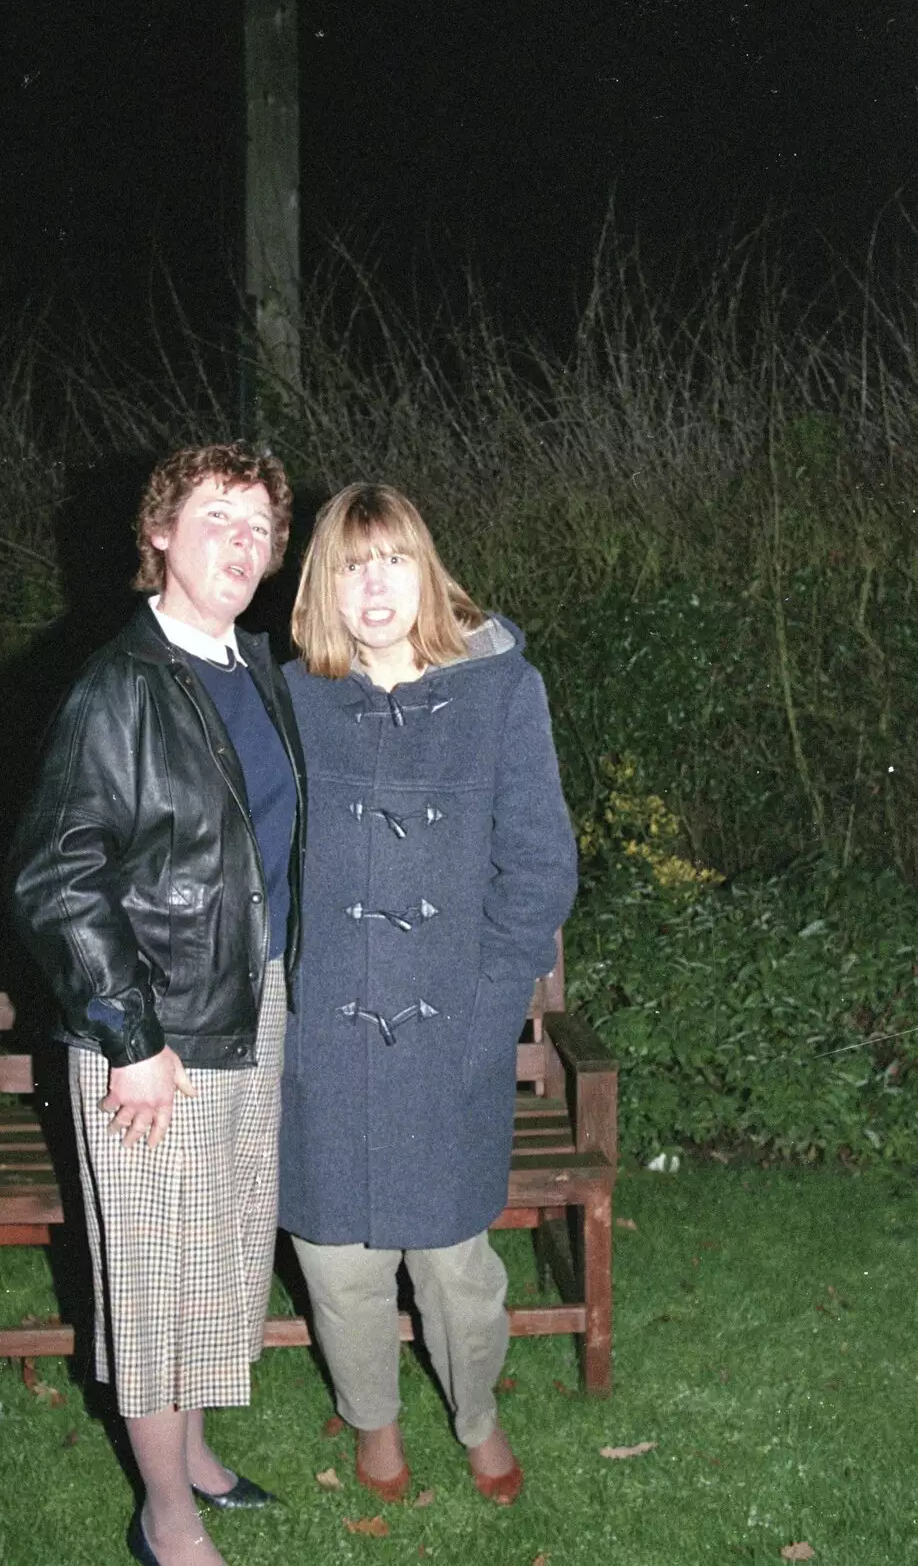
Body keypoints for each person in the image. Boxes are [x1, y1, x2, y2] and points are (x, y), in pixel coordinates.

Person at [9, 442, 306, 1566]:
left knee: (221, 1249)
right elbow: (56, 870)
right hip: (153, 1032)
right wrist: (130, 1035)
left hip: (247, 1004)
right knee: (151, 1274)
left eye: (257, 527)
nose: (239, 543)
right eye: (214, 517)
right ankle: (164, 1513)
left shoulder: (255, 668)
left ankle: (194, 1458)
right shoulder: (120, 682)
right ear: (160, 536)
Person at [279, 482, 577, 1506]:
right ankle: (373, 1420)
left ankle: (478, 1412)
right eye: (351, 564)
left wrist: (490, 1009)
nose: (373, 584)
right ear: (324, 581)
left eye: (392, 558)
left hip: (453, 1032)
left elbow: (540, 869)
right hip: (326, 1036)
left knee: (455, 1266)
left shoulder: (502, 692)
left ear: (427, 570)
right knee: (337, 1258)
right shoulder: (293, 699)